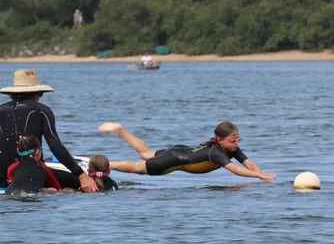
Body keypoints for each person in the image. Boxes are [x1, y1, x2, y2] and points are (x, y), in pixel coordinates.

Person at [0, 69, 98, 192]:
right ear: (36, 93)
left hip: (3, 178)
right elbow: (55, 145)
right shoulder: (42, 110)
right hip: (35, 176)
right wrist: (81, 175)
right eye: (40, 94)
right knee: (80, 183)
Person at [98, 122, 277, 182]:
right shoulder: (216, 152)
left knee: (145, 154)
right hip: (175, 159)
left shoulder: (231, 148)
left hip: (181, 150)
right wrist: (259, 177)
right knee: (137, 167)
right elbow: (236, 170)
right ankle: (97, 164)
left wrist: (260, 173)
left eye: (238, 139)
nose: (236, 143)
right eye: (233, 140)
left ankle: (120, 131)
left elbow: (247, 163)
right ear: (221, 140)